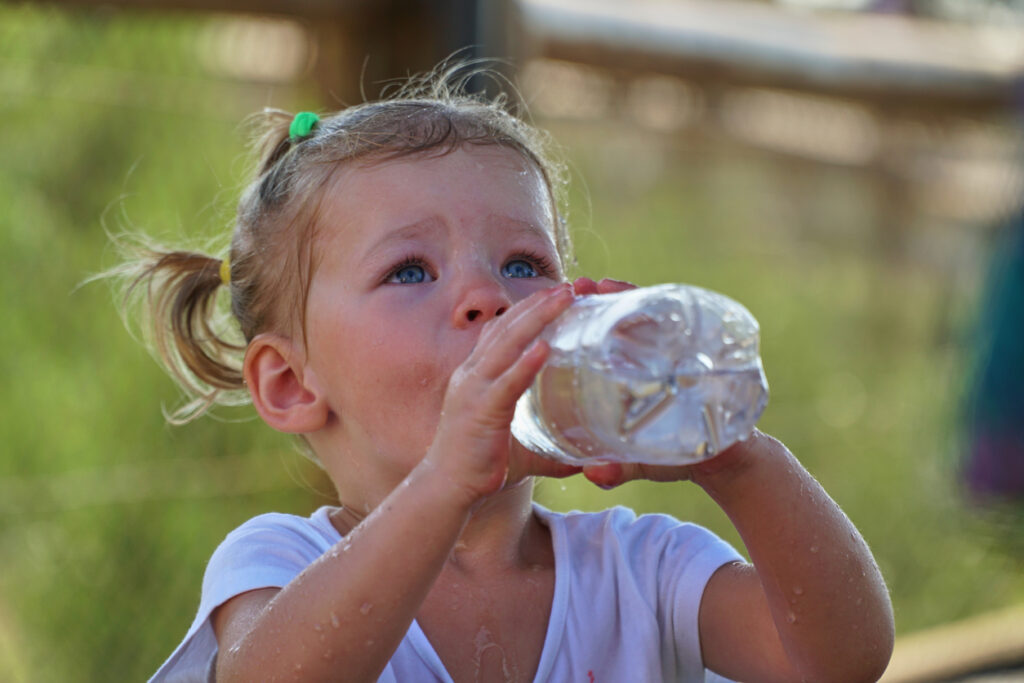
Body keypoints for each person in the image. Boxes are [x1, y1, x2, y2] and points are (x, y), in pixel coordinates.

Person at [119, 67, 894, 682]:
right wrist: (444, 481)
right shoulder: (277, 565)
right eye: (410, 270)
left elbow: (839, 660)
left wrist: (741, 459)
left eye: (523, 263)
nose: (488, 295)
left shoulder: (639, 570)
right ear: (292, 383)